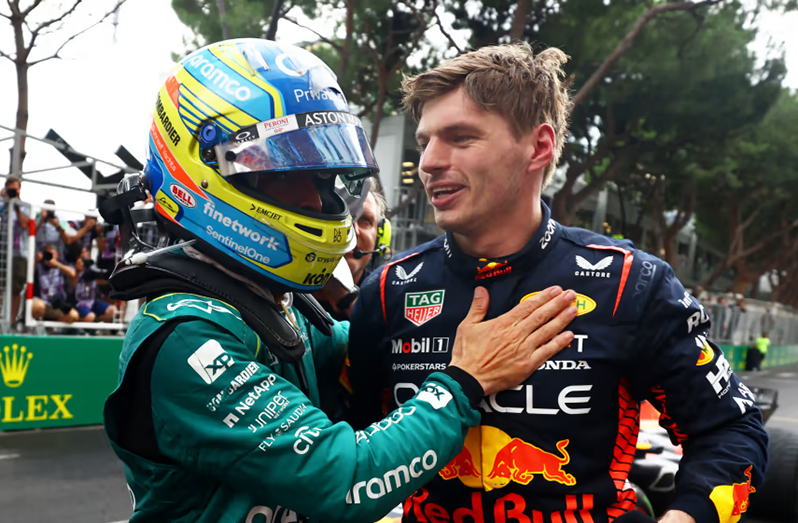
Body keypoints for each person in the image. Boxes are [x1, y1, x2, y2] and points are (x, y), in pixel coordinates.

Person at [101, 38, 579, 523]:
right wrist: (464, 381)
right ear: (206, 170)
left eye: (323, 173)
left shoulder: (265, 299)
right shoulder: (187, 334)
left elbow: (375, 343)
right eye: (284, 170)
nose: (317, 199)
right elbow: (345, 481)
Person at [347, 43, 767, 523]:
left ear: (539, 147)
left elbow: (733, 431)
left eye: (461, 138)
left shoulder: (631, 282)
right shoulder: (387, 292)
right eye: (424, 142)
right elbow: (346, 456)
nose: (430, 162)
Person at [0, 174, 30, 324]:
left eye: (15, 189)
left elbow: (25, 225)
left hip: (19, 253)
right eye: (10, 188)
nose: (13, 191)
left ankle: (11, 322)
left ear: (20, 190)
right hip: (3, 251)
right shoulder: (2, 205)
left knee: (16, 290)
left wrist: (16, 205)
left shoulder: (25, 206)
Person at [30, 244, 79, 323]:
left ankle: (53, 327)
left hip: (59, 304)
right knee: (38, 306)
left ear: (57, 255)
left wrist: (56, 264)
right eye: (48, 254)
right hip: (43, 303)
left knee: (74, 315)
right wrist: (36, 260)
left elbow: (73, 273)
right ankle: (38, 327)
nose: (50, 257)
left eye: (52, 254)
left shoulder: (61, 265)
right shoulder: (39, 265)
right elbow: (28, 274)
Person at [70, 255, 117, 323]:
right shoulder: (74, 272)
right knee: (90, 316)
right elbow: (72, 283)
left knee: (113, 310)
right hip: (79, 303)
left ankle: (94, 320)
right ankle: (81, 323)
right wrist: (79, 273)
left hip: (93, 302)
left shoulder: (93, 269)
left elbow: (104, 277)